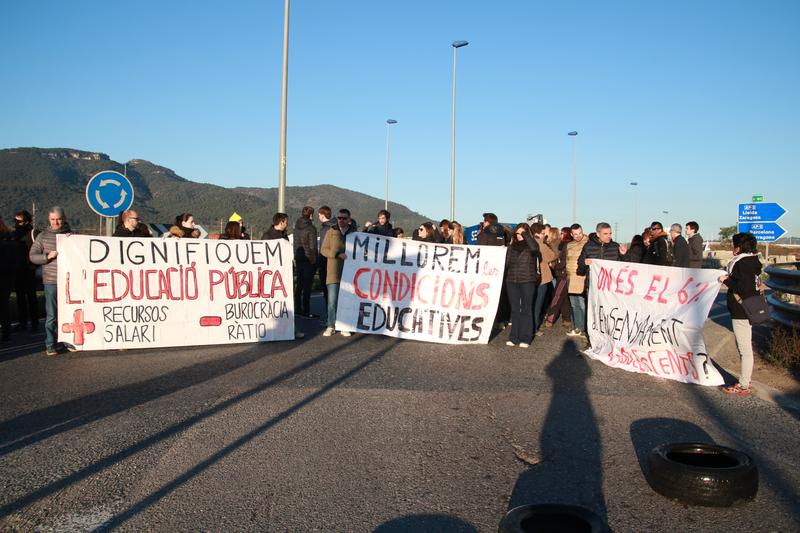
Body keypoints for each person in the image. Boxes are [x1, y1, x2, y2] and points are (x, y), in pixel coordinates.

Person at [718, 232, 762, 395]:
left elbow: (742, 287)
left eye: (734, 244)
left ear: (739, 246)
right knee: (745, 346)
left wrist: (725, 280)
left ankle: (743, 384)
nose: (732, 247)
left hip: (741, 309)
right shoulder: (753, 261)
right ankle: (745, 381)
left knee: (744, 348)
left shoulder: (742, 263)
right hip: (750, 306)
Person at [29, 206, 73, 356]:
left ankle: (65, 340)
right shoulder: (42, 236)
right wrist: (47, 257)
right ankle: (50, 343)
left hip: (69, 281)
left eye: (59, 219)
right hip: (51, 280)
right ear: (49, 219)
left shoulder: (72, 236)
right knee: (52, 314)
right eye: (53, 219)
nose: (56, 222)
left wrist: (73, 242)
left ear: (64, 218)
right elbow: (32, 256)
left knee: (67, 313)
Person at [320, 208, 355, 337]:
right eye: (339, 218)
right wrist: (336, 254)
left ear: (349, 219)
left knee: (346, 301)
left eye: (344, 218)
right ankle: (331, 325)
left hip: (349, 273)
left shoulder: (354, 233)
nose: (341, 220)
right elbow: (323, 250)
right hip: (333, 272)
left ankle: (344, 325)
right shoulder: (331, 231)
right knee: (332, 301)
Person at [504, 223, 539, 348]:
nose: (519, 236)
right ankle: (514, 337)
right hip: (511, 281)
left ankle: (526, 337)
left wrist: (525, 234)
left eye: (522, 233)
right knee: (515, 310)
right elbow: (506, 263)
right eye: (517, 233)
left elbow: (535, 248)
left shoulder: (532, 245)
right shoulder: (511, 247)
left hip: (527, 280)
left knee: (526, 309)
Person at [11, 210, 39, 332]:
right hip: (17, 270)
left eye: (19, 221)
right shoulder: (13, 235)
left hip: (29, 269)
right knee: (20, 298)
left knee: (31, 297)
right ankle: (23, 323)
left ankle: (34, 323)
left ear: (26, 221)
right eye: (15, 221)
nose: (16, 223)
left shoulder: (33, 233)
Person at [1, 217, 25, 342]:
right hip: (9, 277)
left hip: (5, 276)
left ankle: (6, 331)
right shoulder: (11, 240)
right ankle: (6, 332)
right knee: (4, 305)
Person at [543, 227, 572, 331]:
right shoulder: (562, 244)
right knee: (563, 298)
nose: (560, 235)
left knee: (557, 295)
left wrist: (554, 266)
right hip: (561, 273)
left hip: (563, 274)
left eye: (562, 233)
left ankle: (550, 318)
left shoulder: (563, 245)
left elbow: (561, 260)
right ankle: (567, 318)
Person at [293, 206, 319, 320]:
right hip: (309, 260)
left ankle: (297, 309)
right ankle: (306, 311)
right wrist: (314, 262)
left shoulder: (296, 227)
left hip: (299, 259)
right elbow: (313, 247)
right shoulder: (311, 228)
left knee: (299, 286)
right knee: (307, 287)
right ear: (311, 215)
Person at [565, 223, 589, 337]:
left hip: (581, 277)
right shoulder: (569, 245)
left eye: (580, 233)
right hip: (570, 277)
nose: (578, 236)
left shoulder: (588, 243)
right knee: (574, 304)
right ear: (571, 234)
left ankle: (586, 329)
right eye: (575, 234)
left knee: (582, 304)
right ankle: (578, 327)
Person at [532, 223, 556, 335]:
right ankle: (535, 326)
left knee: (529, 304)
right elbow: (552, 256)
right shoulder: (541, 245)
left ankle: (529, 326)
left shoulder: (529, 243)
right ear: (537, 233)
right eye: (542, 233)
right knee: (537, 304)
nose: (543, 235)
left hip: (529, 278)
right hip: (542, 277)